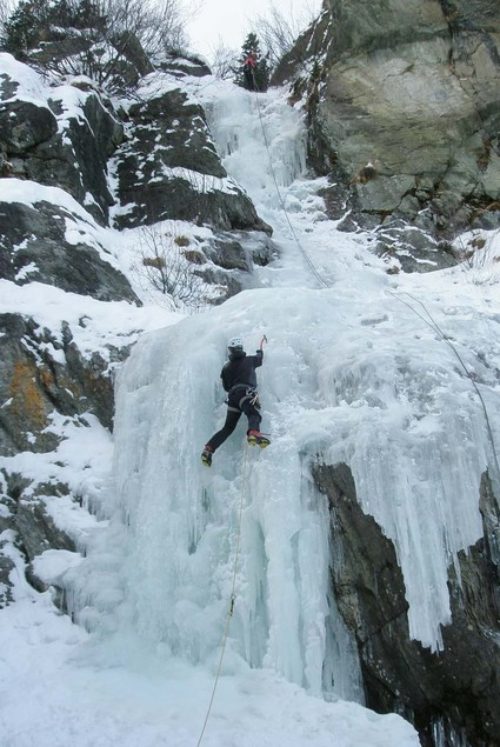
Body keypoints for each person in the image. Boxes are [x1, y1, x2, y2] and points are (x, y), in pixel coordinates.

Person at [201, 336, 270, 467]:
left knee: (227, 428)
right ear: (241, 348)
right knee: (253, 413)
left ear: (231, 350)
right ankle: (254, 432)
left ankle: (209, 449)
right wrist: (260, 351)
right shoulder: (249, 360)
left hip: (233, 398)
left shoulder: (226, 368)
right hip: (246, 393)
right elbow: (260, 360)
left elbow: (226, 387)